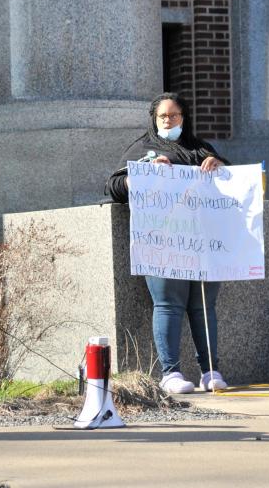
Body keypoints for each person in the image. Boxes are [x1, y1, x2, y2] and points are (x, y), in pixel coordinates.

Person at [106, 92, 231, 394]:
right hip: (163, 241)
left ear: (184, 118)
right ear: (154, 119)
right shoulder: (143, 149)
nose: (168, 121)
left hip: (201, 242)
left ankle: (210, 371)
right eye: (163, 116)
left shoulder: (201, 149)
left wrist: (220, 165)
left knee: (204, 306)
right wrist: (143, 176)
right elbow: (114, 186)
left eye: (174, 115)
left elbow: (233, 183)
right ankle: (170, 372)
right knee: (169, 304)